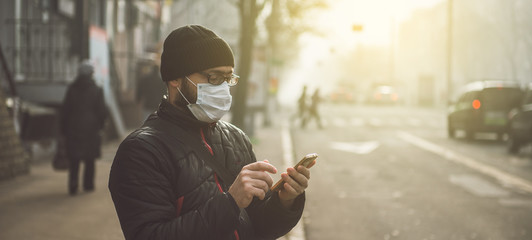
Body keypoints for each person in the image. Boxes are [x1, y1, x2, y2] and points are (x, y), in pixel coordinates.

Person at [108, 25, 313, 240]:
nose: (223, 88)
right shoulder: (142, 151)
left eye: (228, 78)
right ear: (175, 79)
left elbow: (258, 227)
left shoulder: (236, 138)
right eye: (213, 78)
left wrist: (285, 200)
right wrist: (231, 202)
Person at [61, 60, 107, 195]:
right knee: (90, 158)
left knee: (74, 158)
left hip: (73, 127)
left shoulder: (72, 89)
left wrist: (63, 129)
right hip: (91, 128)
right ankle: (88, 185)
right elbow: (102, 111)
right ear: (91, 74)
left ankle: (73, 184)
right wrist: (101, 125)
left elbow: (65, 109)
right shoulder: (97, 89)